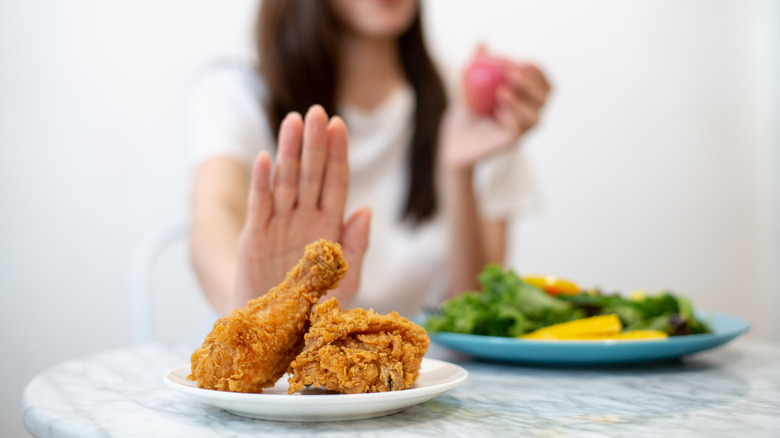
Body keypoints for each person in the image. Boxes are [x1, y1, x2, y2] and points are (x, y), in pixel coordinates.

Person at [187, 0, 551, 318]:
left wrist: (458, 170)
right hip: (276, 387)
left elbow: (470, 312)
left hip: (415, 385)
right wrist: (259, 312)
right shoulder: (238, 95)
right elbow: (214, 213)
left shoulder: (471, 107)